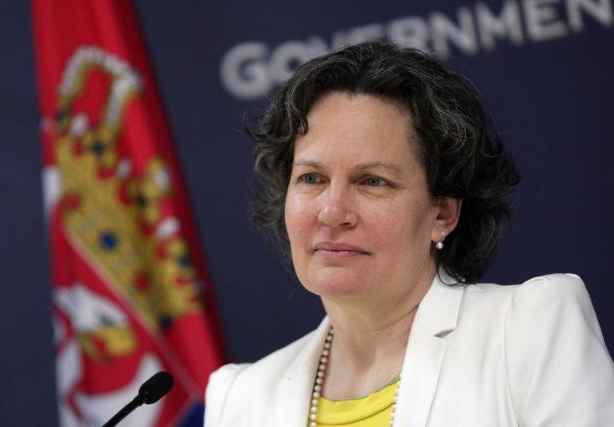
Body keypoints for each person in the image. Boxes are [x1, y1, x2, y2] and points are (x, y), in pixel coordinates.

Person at [204, 42, 614, 426]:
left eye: (373, 181)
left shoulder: (527, 331)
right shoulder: (240, 399)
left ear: (443, 213)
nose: (332, 212)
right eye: (311, 178)